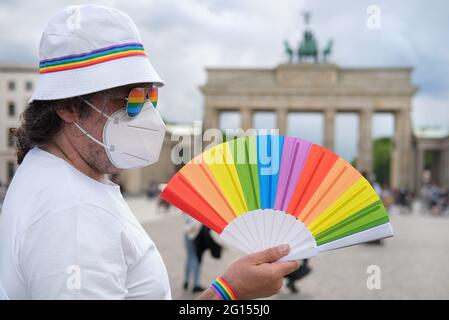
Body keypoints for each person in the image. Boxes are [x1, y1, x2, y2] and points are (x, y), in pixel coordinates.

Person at [0, 5, 299, 300]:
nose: (146, 116)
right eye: (132, 98)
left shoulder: (48, 171)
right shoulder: (74, 216)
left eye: (150, 96)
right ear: (66, 106)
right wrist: (228, 294)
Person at [183, 215, 203, 293]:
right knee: (196, 258)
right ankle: (196, 284)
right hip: (194, 234)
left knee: (189, 257)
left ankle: (186, 281)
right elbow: (196, 223)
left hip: (186, 233)